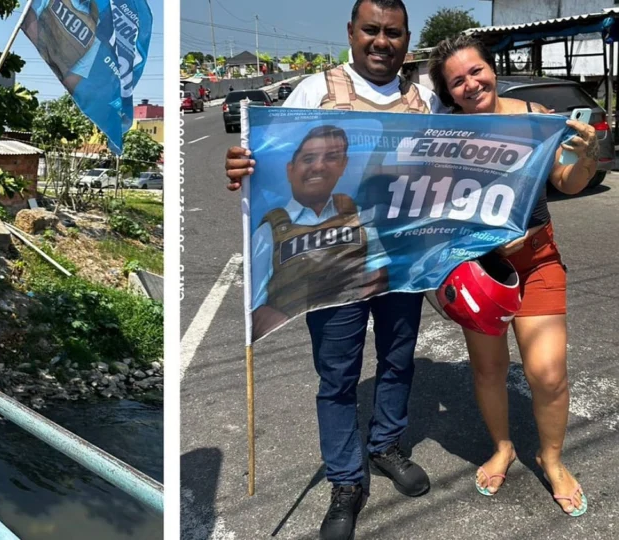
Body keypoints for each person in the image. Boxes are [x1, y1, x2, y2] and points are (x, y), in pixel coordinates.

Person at [226, 2, 446, 539]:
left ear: (406, 39)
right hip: (328, 266)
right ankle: (346, 480)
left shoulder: (425, 101)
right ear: (351, 32)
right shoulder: (311, 92)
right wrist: (242, 168)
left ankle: (385, 445)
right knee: (338, 376)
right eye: (371, 30)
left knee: (397, 359)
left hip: (400, 260)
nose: (381, 41)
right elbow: (275, 163)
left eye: (392, 33)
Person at [426, 34, 598, 517]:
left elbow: (567, 181)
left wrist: (586, 156)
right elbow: (436, 206)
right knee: (489, 369)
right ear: (448, 92)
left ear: (491, 68)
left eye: (475, 70)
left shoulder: (534, 117)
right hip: (478, 266)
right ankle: (502, 447)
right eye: (457, 81)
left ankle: (552, 459)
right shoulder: (445, 136)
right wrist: (481, 244)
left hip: (539, 259)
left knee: (547, 373)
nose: (470, 83)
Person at [252, 125, 390, 339]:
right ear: (290, 169)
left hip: (349, 313)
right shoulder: (270, 229)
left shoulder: (357, 215)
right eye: (308, 159)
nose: (318, 166)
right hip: (291, 341)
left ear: (343, 166)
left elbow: (379, 270)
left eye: (332, 158)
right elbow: (256, 307)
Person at [22, 0, 100, 94]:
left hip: (45, 62)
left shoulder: (95, 37)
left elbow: (72, 80)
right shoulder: (95, 36)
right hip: (39, 53)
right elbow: (31, 18)